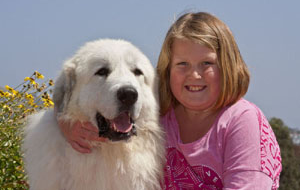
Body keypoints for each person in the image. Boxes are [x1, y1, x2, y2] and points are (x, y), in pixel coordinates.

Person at [58, 12, 282, 189]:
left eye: (207, 63)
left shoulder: (243, 122)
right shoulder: (160, 117)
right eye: (182, 64)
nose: (194, 75)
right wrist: (65, 124)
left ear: (228, 66)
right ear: (166, 70)